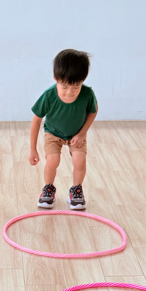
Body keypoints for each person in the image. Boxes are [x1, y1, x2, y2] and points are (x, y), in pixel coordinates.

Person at [28, 49, 98, 210]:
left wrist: (82, 134)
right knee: (53, 160)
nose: (70, 92)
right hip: (53, 133)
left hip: (77, 134)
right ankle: (48, 188)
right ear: (55, 79)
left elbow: (93, 111)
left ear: (83, 80)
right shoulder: (49, 95)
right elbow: (36, 120)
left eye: (76, 86)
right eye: (64, 86)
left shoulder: (88, 94)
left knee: (80, 160)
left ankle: (76, 189)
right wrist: (32, 149)